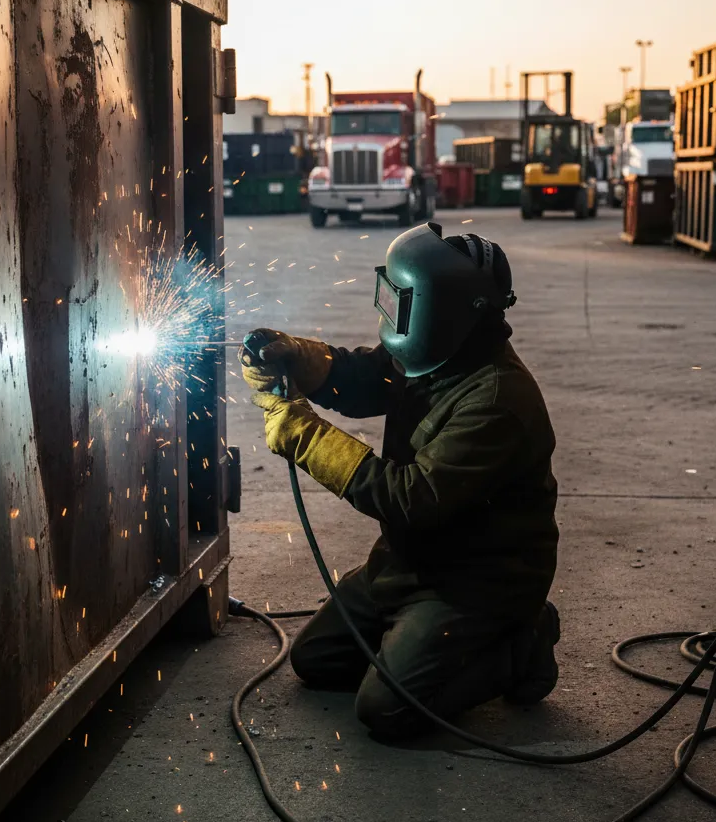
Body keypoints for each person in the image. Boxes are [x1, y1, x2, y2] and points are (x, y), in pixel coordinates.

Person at [239, 222, 560, 741]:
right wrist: (299, 359)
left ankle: (522, 642)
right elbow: (367, 378)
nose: (389, 312)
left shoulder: (497, 401)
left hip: (476, 586)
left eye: (401, 302)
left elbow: (410, 498)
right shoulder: (439, 352)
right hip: (408, 566)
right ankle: (419, 640)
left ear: (441, 310)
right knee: (316, 660)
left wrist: (304, 435)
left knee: (388, 711)